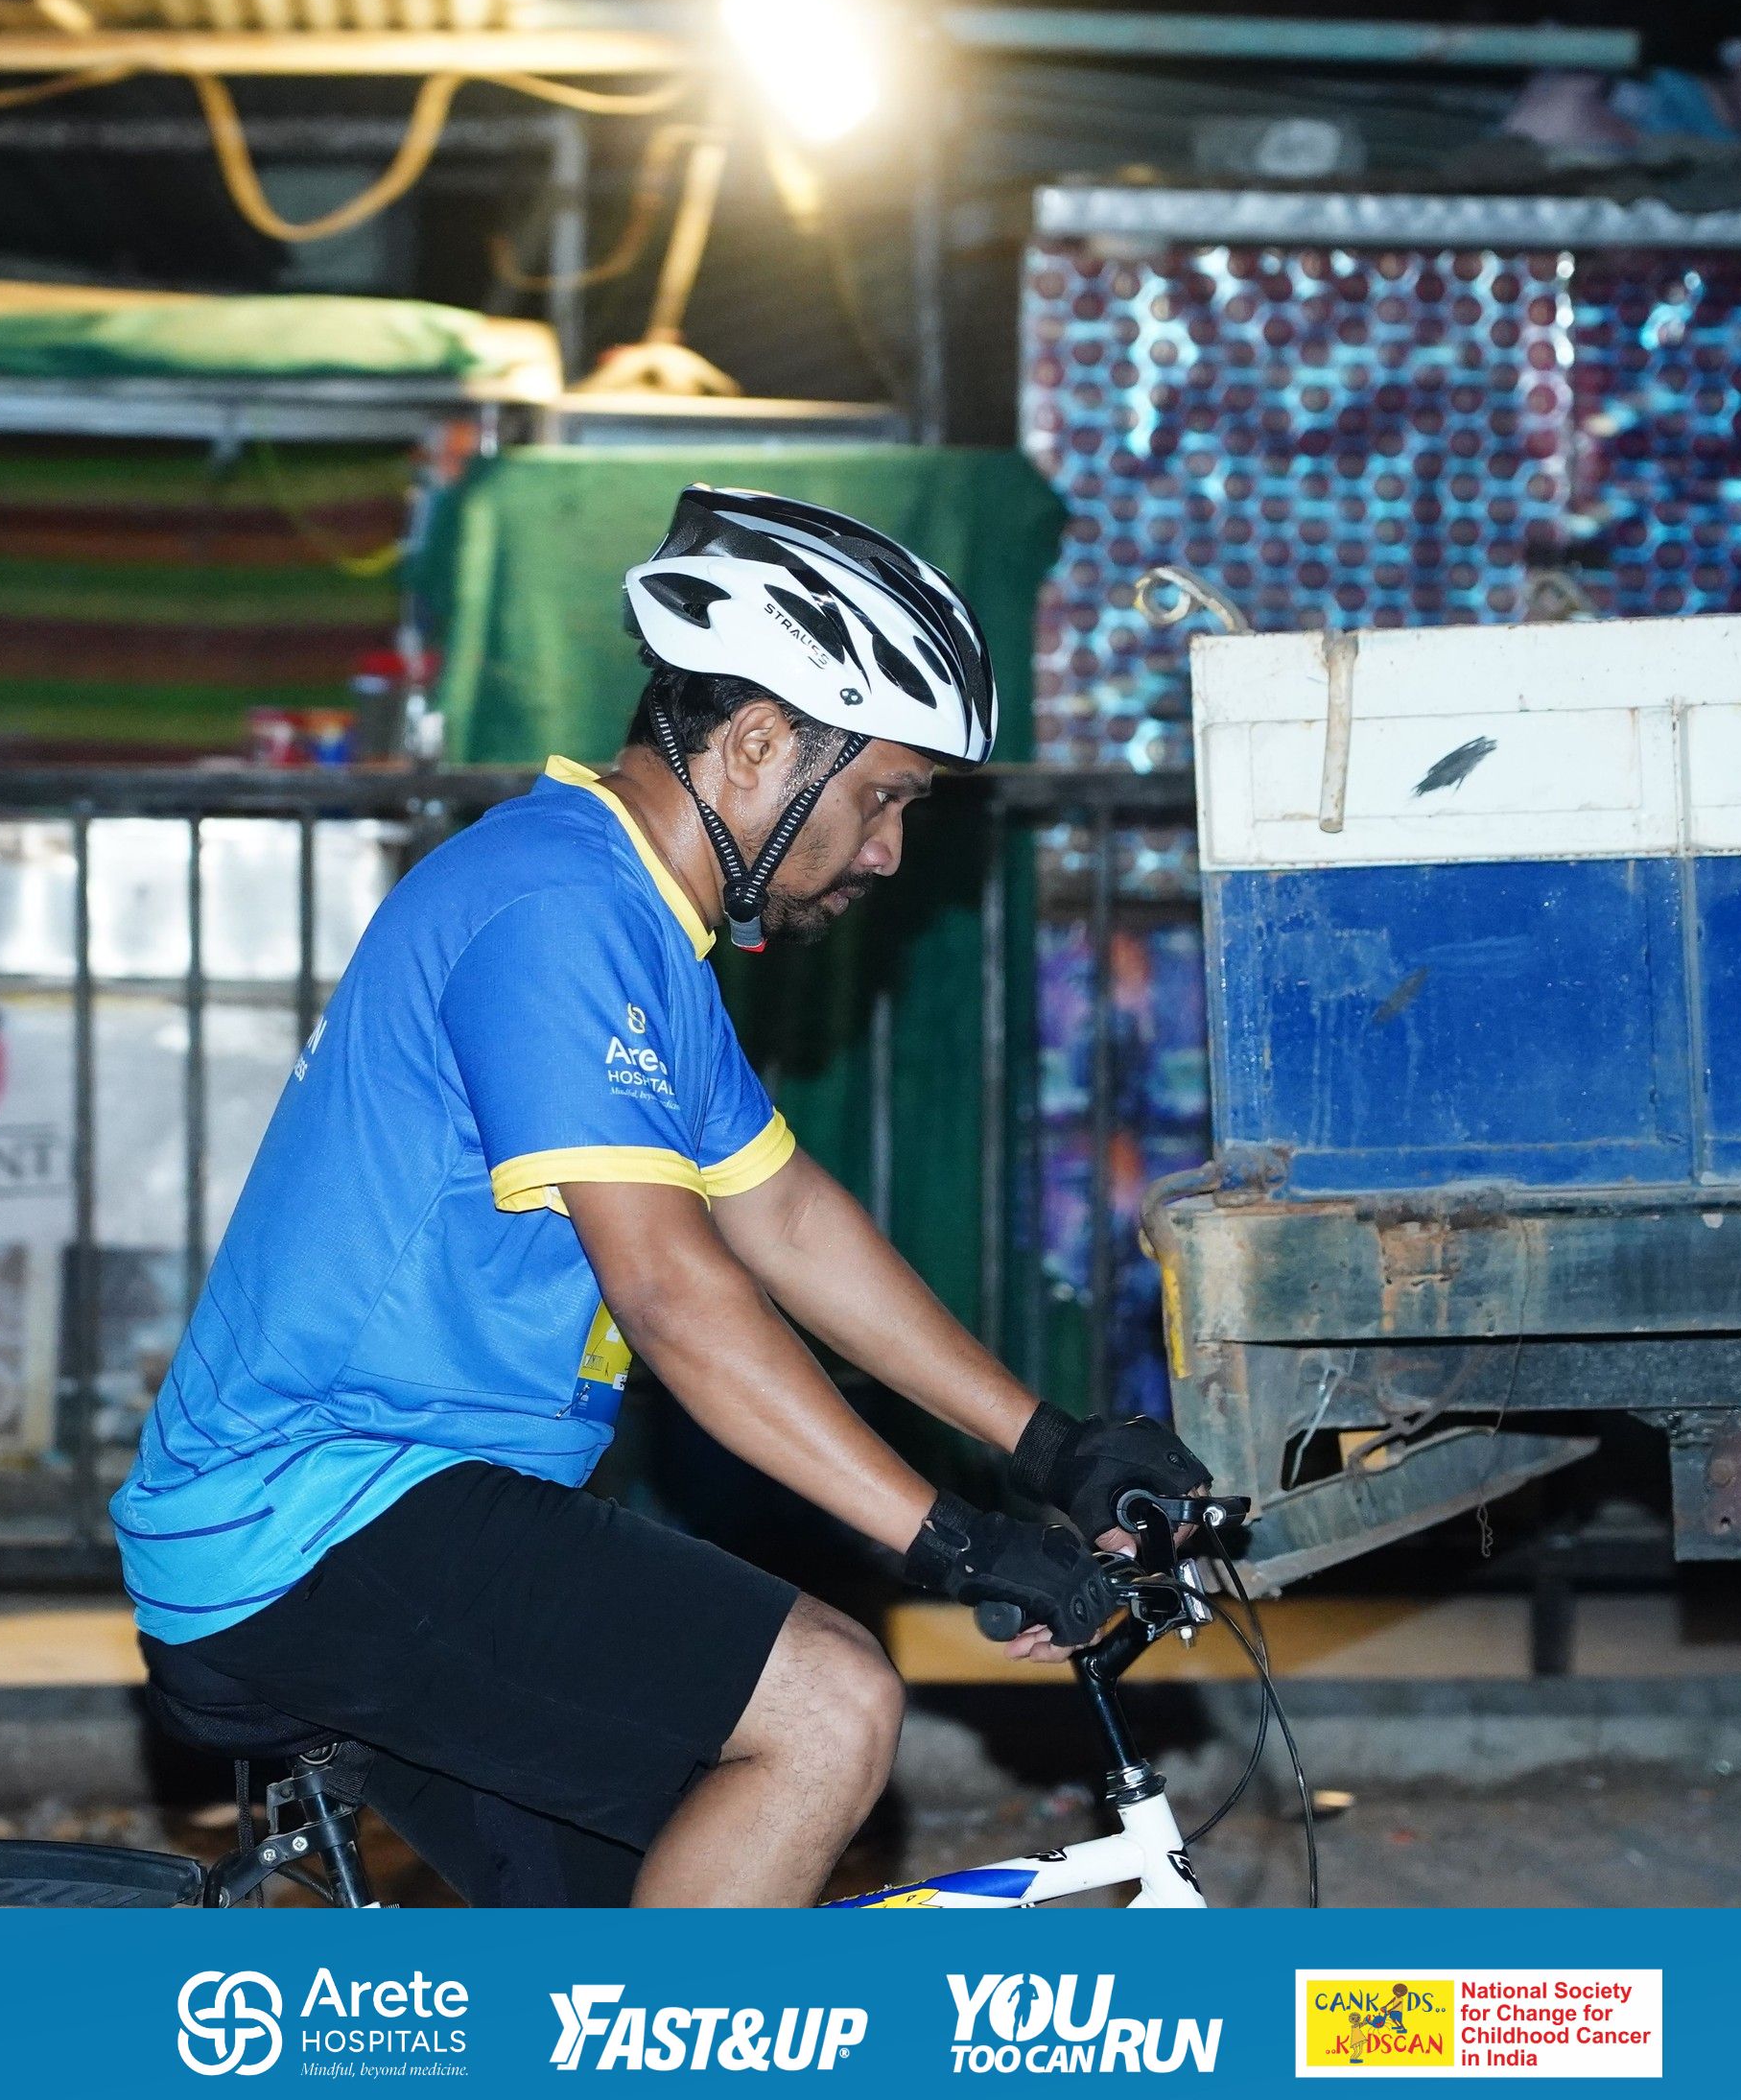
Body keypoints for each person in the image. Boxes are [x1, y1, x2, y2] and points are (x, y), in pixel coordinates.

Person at [111, 486, 1208, 1906]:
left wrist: (1049, 1446)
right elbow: (678, 1292)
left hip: (397, 1511)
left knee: (644, 1921)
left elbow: (786, 1217)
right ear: (758, 746)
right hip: (322, 1514)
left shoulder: (629, 920)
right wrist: (950, 1540)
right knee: (827, 1706)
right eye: (882, 796)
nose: (887, 851)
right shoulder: (559, 911)